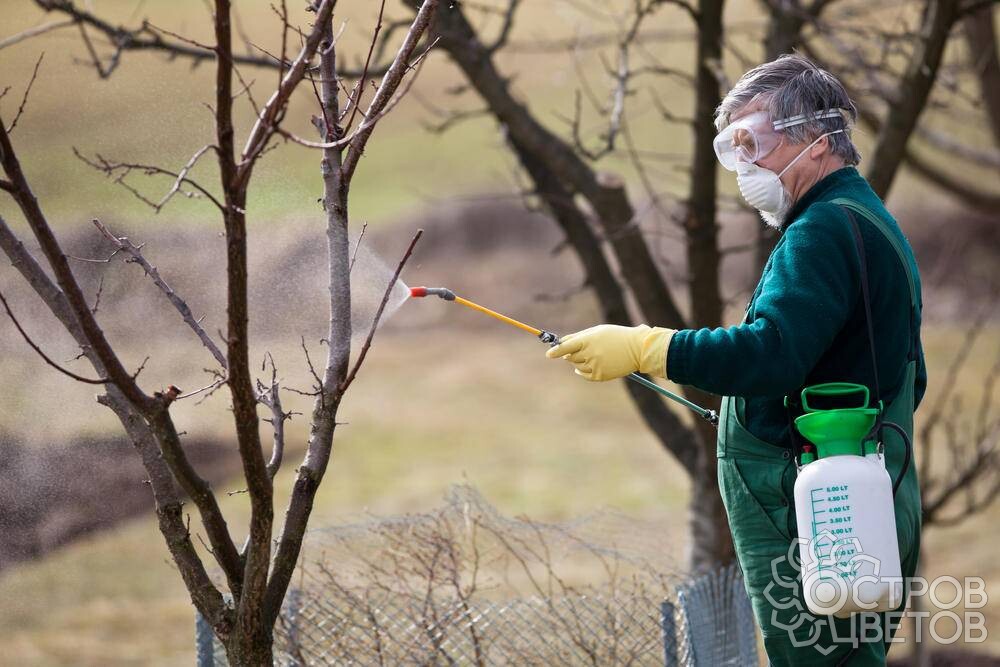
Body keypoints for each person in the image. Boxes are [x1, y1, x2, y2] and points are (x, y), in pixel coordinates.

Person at [546, 54, 925, 666]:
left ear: (819, 140)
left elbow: (769, 354)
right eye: (735, 147)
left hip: (819, 514)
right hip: (858, 499)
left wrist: (650, 347)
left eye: (757, 143)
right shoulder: (862, 219)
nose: (746, 165)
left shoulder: (822, 231)